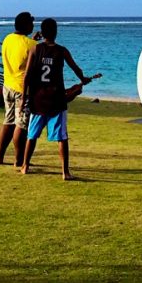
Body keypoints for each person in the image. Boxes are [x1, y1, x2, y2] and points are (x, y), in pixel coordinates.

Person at [20, 18, 92, 180]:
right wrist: (84, 78)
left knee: (32, 135)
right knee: (62, 137)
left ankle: (25, 166)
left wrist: (24, 98)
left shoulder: (35, 50)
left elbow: (27, 76)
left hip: (38, 100)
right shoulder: (62, 51)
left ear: (42, 33)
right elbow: (75, 68)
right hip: (57, 101)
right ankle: (65, 172)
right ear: (56, 32)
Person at [0, 11, 39, 167]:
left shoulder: (8, 39)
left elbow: (19, 55)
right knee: (21, 124)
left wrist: (31, 40)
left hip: (8, 85)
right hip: (22, 89)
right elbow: (33, 60)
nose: (33, 26)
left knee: (8, 120)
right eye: (31, 23)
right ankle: (19, 159)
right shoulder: (32, 45)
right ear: (26, 25)